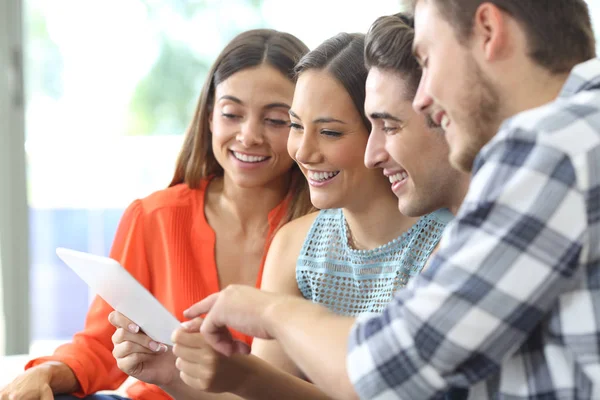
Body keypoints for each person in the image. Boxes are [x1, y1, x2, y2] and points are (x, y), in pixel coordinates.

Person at [181, 1, 600, 399]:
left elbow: (394, 368)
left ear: (489, 30)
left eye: (429, 58)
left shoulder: (552, 148)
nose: (424, 97)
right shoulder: (579, 133)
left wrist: (270, 312)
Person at [108, 30, 467, 400]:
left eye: (329, 131)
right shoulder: (296, 244)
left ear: (381, 132)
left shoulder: (449, 244)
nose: (303, 151)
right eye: (296, 125)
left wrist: (260, 338)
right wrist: (170, 373)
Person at [0, 29, 313, 400]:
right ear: (210, 116)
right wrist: (48, 373)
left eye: (275, 120)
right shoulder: (155, 217)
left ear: (302, 127)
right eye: (232, 113)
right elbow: (102, 346)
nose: (248, 136)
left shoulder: (323, 233)